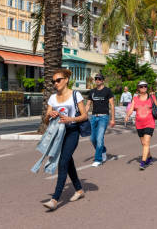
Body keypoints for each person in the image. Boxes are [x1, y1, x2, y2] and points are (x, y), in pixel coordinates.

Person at [42, 69, 87, 210]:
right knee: (68, 162)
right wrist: (50, 114)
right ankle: (79, 190)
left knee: (63, 163)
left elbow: (84, 116)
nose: (56, 83)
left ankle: (55, 199)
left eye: (58, 80)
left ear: (66, 80)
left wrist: (71, 119)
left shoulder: (75, 95)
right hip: (59, 134)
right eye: (53, 81)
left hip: (72, 132)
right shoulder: (52, 98)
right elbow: (45, 121)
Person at [125, 81, 157, 170]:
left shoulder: (151, 97)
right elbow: (131, 109)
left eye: (145, 86)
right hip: (139, 124)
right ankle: (149, 157)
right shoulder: (135, 98)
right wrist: (127, 116)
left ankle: (143, 162)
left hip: (149, 123)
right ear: (138, 88)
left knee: (146, 143)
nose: (144, 88)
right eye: (141, 86)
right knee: (143, 143)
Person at [86, 74, 115, 167]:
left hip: (103, 117)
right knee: (92, 138)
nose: (97, 80)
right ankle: (103, 150)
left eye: (99, 79)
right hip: (94, 117)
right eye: (96, 79)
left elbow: (112, 105)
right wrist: (83, 115)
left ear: (103, 80)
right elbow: (88, 105)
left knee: (99, 138)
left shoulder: (107, 91)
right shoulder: (92, 91)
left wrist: (113, 119)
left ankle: (98, 159)